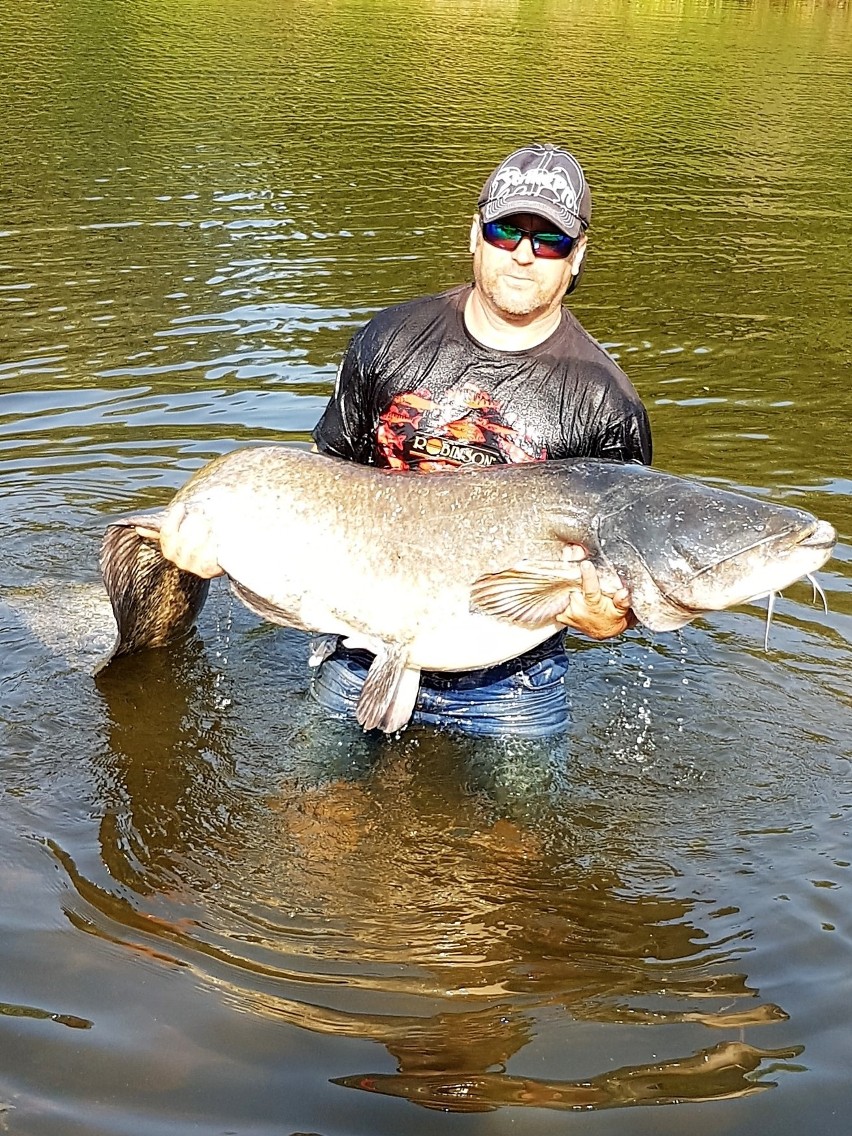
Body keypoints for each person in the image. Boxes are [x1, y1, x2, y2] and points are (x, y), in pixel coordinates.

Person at [152, 144, 652, 738]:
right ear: (475, 234)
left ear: (577, 257)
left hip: (515, 680)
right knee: (313, 823)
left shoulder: (608, 402)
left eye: (550, 241)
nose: (523, 255)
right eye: (506, 230)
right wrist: (225, 547)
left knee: (514, 834)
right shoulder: (389, 339)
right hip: (359, 647)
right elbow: (325, 481)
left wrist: (603, 618)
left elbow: (622, 590)